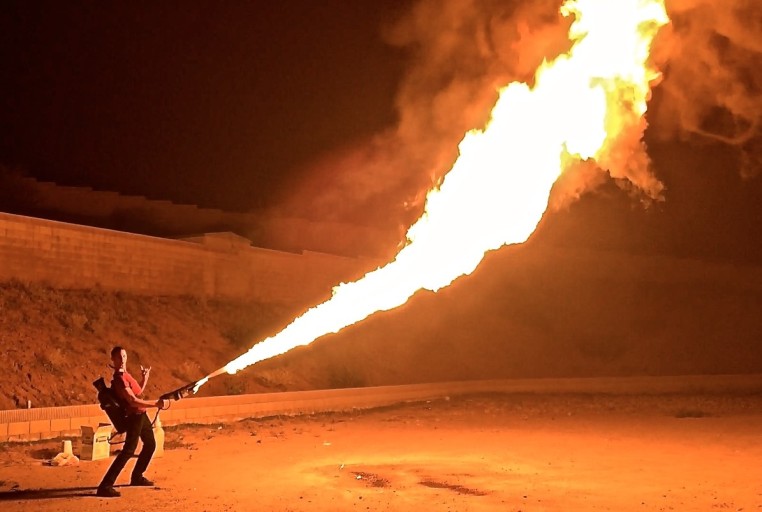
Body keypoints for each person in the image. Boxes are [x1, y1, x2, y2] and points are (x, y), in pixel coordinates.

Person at [96, 346, 166, 498]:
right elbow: (133, 401)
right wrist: (155, 404)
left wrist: (144, 378)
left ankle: (137, 476)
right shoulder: (120, 378)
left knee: (150, 444)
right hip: (134, 416)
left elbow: (137, 392)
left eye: (124, 356)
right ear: (113, 360)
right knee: (128, 450)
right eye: (119, 357)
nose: (122, 360)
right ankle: (105, 485)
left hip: (141, 414)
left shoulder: (126, 375)